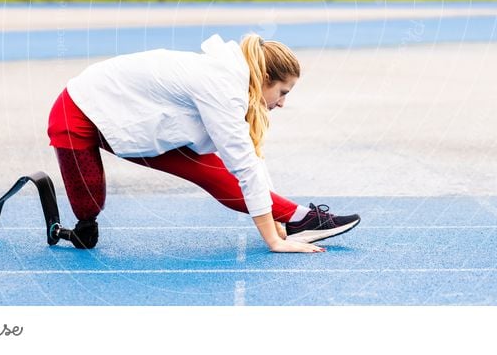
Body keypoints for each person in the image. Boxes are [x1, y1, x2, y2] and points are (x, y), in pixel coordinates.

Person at [46, 33, 360, 252]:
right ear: (265, 80)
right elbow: (245, 167)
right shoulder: (222, 86)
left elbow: (252, 159)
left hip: (125, 112)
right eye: (283, 93)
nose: (281, 103)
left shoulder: (237, 79)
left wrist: (278, 217)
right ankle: (300, 217)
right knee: (88, 209)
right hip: (78, 113)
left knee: (211, 173)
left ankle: (299, 217)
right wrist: (274, 241)